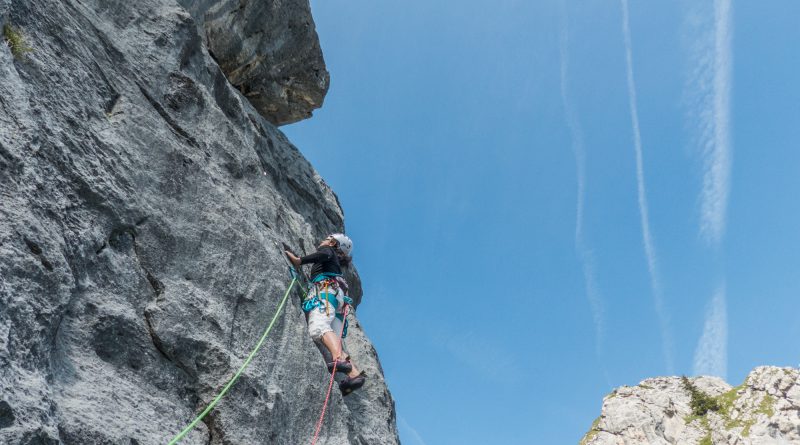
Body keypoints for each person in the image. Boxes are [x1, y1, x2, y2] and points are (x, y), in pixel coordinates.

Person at [284, 233, 366, 395]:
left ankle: (339, 360)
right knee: (335, 338)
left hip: (325, 291)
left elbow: (322, 254)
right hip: (337, 299)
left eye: (327, 238)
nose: (323, 241)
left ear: (334, 242)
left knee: (318, 327)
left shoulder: (329, 250)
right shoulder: (335, 260)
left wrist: (299, 261)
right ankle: (354, 375)